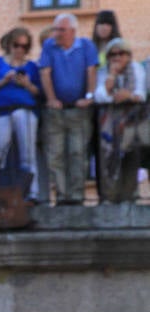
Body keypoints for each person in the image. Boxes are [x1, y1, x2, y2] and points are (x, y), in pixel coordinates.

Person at [38, 13, 99, 206]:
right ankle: (62, 197)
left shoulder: (86, 45)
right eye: (55, 29)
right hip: (56, 111)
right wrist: (51, 99)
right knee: (55, 155)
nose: (56, 33)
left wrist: (88, 96)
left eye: (61, 30)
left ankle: (76, 196)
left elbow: (91, 71)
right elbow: (45, 72)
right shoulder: (49, 45)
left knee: (77, 153)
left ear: (73, 31)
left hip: (79, 110)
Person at [0, 27, 42, 204]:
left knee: (27, 152)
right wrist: (4, 81)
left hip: (25, 110)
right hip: (1, 111)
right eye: (17, 45)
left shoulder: (31, 66)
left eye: (25, 46)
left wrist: (27, 84)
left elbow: (39, 92)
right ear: (9, 44)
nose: (20, 49)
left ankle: (32, 193)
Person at [93, 39, 148, 203]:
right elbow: (99, 95)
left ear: (128, 55)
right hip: (109, 122)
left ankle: (129, 196)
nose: (117, 57)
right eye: (112, 54)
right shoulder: (103, 72)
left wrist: (128, 96)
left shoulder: (137, 68)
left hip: (132, 120)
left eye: (121, 53)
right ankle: (109, 196)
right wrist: (111, 78)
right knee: (108, 158)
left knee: (131, 157)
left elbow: (141, 94)